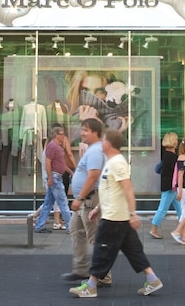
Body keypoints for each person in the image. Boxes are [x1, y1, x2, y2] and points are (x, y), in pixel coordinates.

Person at [68, 129, 163, 298]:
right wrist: (97, 209)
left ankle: (91, 286)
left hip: (114, 219)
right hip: (117, 217)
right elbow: (110, 190)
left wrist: (133, 213)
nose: (101, 144)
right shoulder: (111, 162)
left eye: (103, 140)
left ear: (108, 144)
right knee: (134, 251)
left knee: (101, 250)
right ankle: (153, 279)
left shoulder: (117, 163)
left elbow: (127, 188)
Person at [61, 118, 112, 287]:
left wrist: (79, 198)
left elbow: (93, 175)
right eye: (82, 129)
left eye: (85, 130)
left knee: (95, 237)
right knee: (76, 232)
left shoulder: (96, 151)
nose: (82, 133)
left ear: (95, 133)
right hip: (83, 200)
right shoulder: (92, 149)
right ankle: (82, 269)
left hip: (89, 200)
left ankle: (103, 275)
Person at [34, 126, 72, 233]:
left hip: (55, 177)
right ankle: (70, 226)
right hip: (55, 178)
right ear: (56, 135)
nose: (63, 136)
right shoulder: (52, 146)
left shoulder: (57, 147)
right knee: (63, 202)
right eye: (62, 134)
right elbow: (47, 162)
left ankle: (39, 225)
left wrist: (71, 172)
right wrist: (50, 178)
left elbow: (62, 164)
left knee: (48, 203)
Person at [149, 132, 182, 240]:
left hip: (169, 186)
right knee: (163, 208)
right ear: (174, 142)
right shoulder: (172, 157)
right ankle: (153, 229)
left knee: (180, 208)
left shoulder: (165, 155)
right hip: (170, 187)